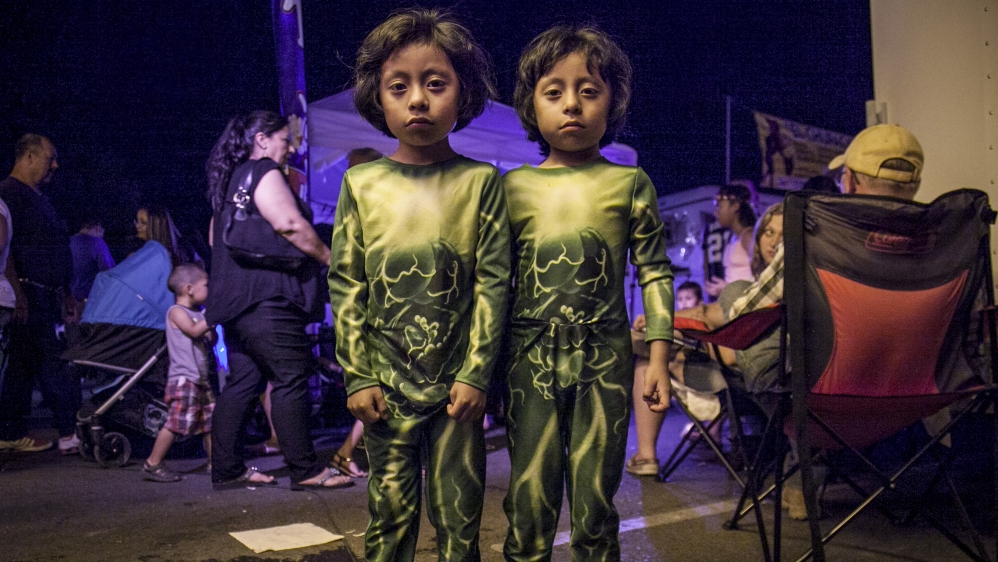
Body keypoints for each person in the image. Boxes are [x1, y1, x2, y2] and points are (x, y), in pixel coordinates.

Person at [328, 9, 509, 561]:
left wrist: (477, 375)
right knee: (389, 519)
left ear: (463, 91)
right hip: (385, 388)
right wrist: (358, 375)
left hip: (458, 391)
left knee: (461, 518)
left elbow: (493, 283)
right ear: (377, 97)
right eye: (398, 86)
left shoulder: (481, 181)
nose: (418, 100)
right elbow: (347, 285)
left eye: (436, 84)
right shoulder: (362, 183)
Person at [679, 123, 926, 519]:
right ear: (914, 184)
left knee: (735, 296)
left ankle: (802, 467)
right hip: (917, 392)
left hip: (825, 392)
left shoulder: (819, 231)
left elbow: (745, 312)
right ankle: (802, 469)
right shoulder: (945, 234)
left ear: (850, 180)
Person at [502, 26, 673, 560]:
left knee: (597, 497)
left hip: (606, 356)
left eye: (589, 90)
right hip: (527, 357)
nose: (571, 104)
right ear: (531, 104)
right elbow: (493, 284)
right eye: (553, 92)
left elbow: (655, 271)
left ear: (613, 101)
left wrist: (660, 359)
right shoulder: (512, 188)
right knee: (529, 496)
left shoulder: (629, 183)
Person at [205, 110, 352, 491]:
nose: (291, 148)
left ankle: (227, 469)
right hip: (267, 299)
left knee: (243, 382)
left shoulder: (228, 185)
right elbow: (289, 224)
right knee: (292, 377)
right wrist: (328, 258)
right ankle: (305, 470)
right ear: (262, 140)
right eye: (286, 139)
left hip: (234, 302)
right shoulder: (264, 172)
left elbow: (213, 241)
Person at [0, 134, 80, 455]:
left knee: (23, 365)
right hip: (28, 292)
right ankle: (68, 431)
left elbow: (54, 249)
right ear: (30, 157)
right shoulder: (8, 194)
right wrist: (19, 293)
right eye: (51, 158)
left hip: (46, 293)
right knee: (48, 361)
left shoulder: (38, 197)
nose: (55, 165)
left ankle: (11, 429)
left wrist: (66, 293)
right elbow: (6, 250)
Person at [142, 264, 215, 482]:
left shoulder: (197, 313)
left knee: (212, 422)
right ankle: (152, 463)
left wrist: (209, 325)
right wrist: (212, 316)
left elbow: (209, 339)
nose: (209, 289)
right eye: (206, 285)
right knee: (176, 423)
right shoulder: (176, 312)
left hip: (200, 379)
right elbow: (193, 330)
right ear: (189, 288)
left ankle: (216, 463)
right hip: (184, 379)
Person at [626, 280, 705, 477]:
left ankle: (646, 455)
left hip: (716, 375)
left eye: (689, 298)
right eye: (681, 299)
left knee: (648, 360)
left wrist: (659, 321)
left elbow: (712, 314)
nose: (684, 302)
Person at [704, 184, 756, 299]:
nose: (716, 213)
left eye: (720, 207)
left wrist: (727, 288)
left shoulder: (748, 236)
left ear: (735, 207)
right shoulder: (733, 238)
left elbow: (762, 280)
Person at [69, 219, 115, 314]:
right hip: (91, 303)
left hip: (69, 303)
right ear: (98, 228)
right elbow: (109, 272)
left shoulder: (68, 242)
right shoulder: (98, 243)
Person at [134, 205, 203, 267]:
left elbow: (199, 266)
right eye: (137, 221)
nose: (137, 225)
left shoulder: (184, 249)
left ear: (157, 226)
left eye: (143, 222)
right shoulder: (138, 249)